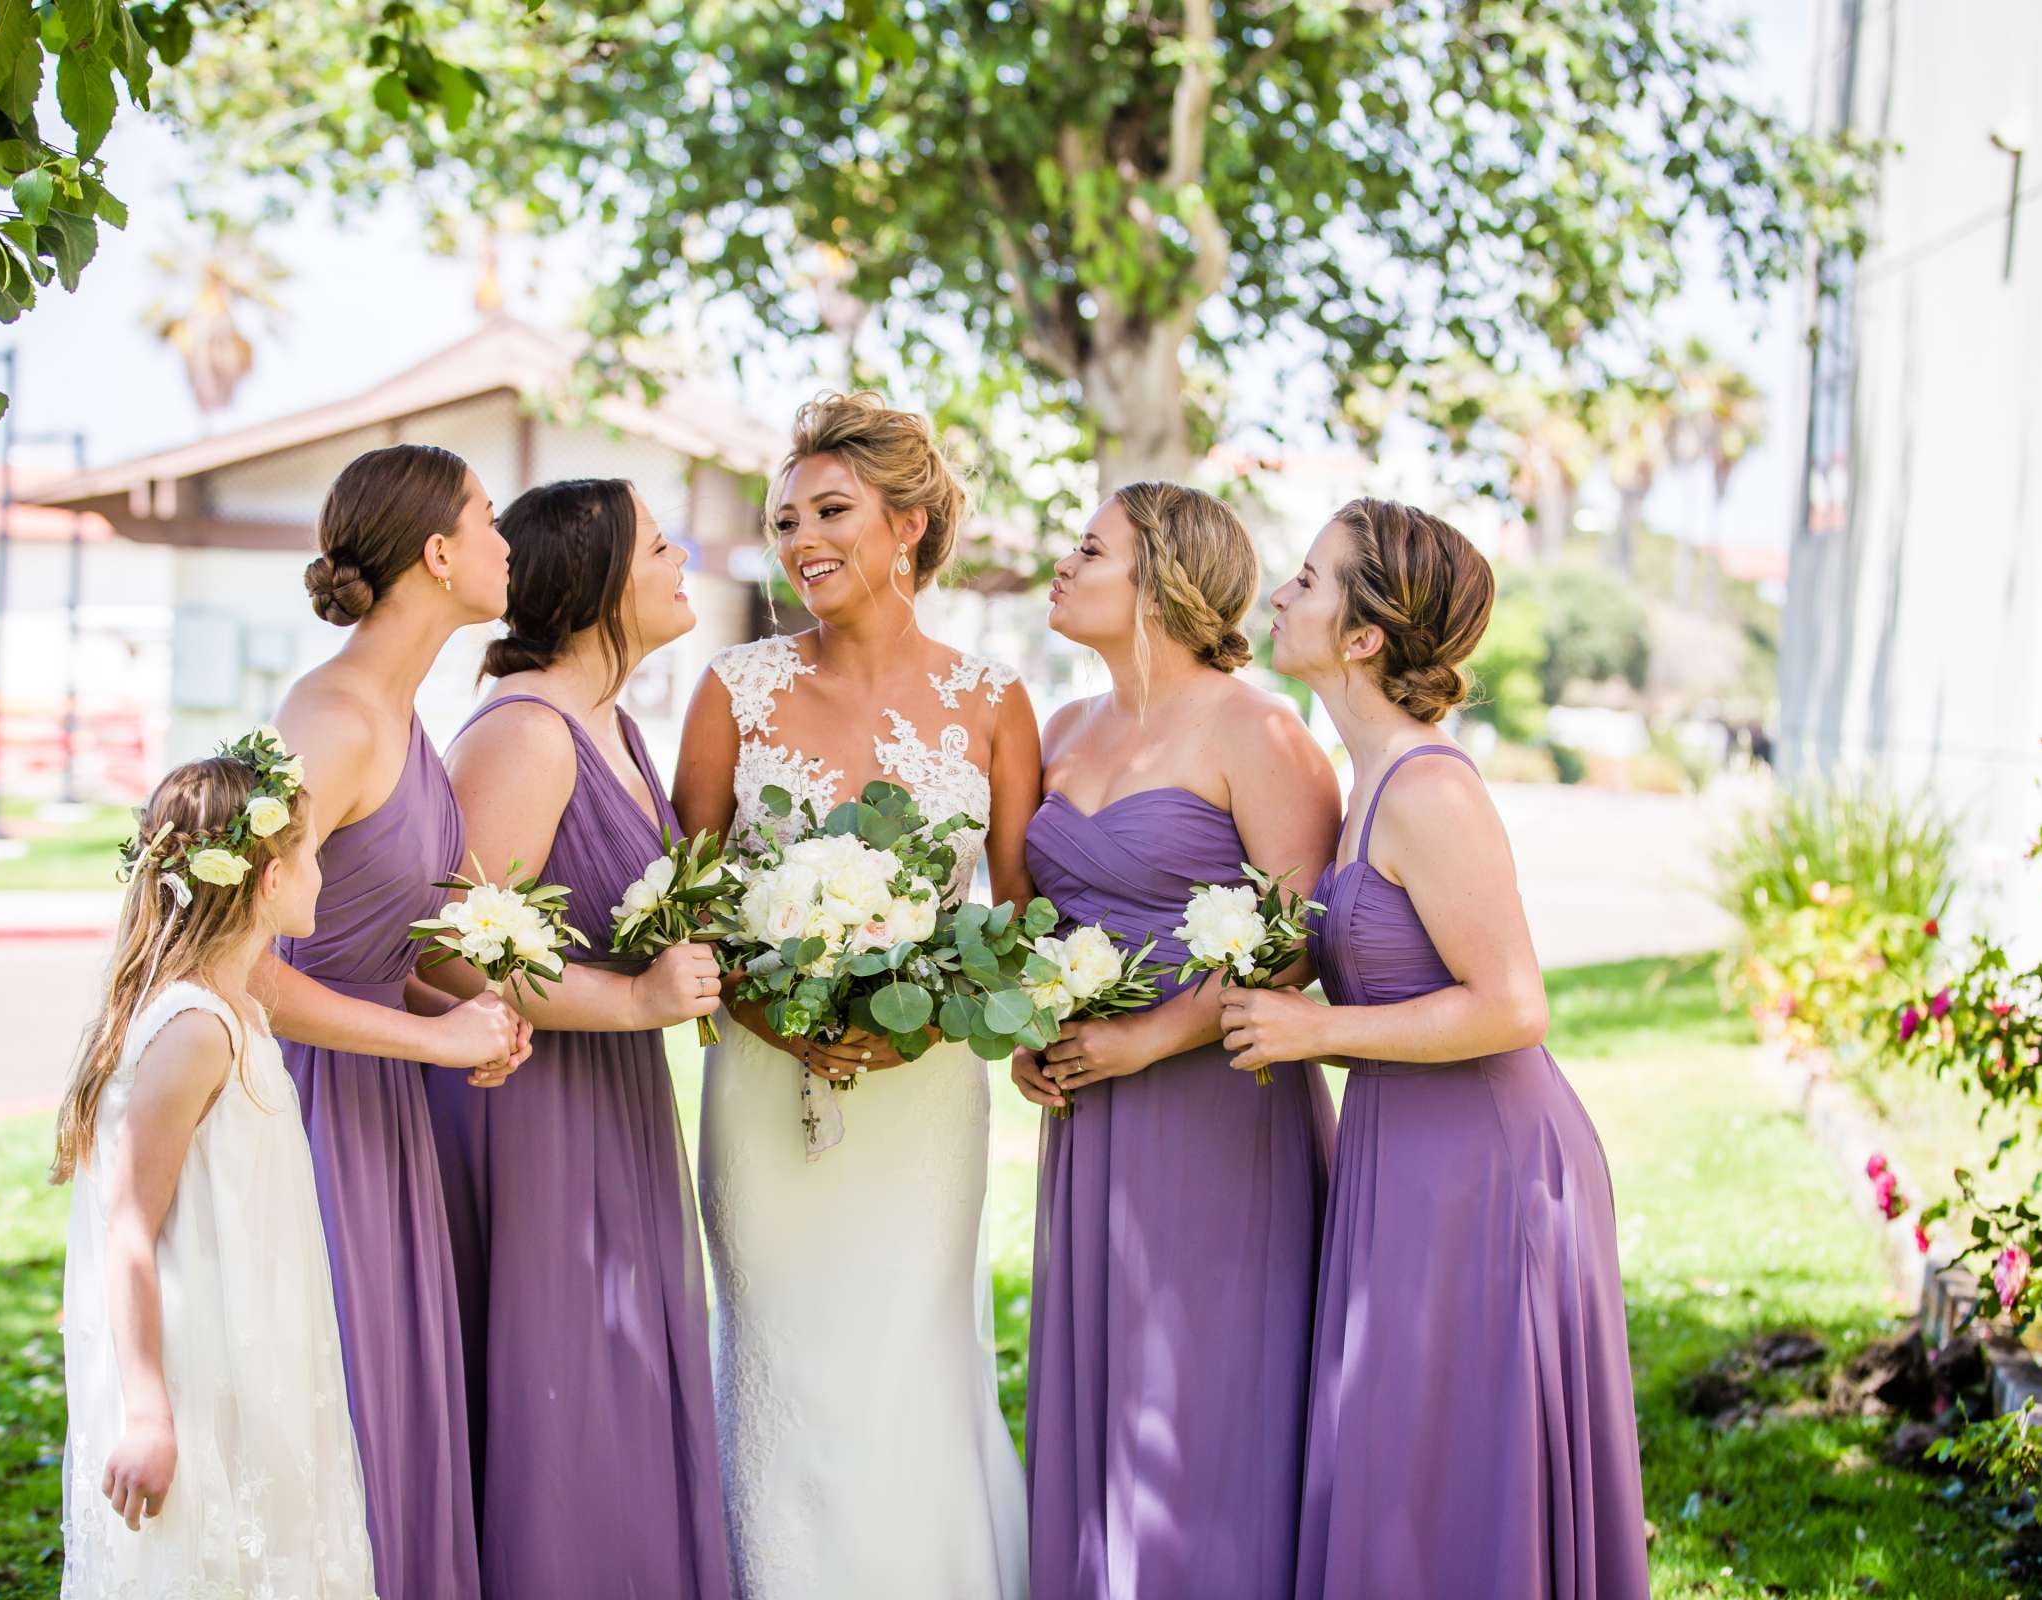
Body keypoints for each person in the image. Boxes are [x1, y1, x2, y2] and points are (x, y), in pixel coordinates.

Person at [1221, 497, 1651, 1599]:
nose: (1279, 593)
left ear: (1364, 635)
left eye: (1308, 580)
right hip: (1404, 1152)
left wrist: (1317, 1031)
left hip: (1488, 1168)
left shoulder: (1431, 789)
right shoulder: (1365, 780)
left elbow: (1513, 1003)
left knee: (1457, 1459)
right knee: (1401, 1452)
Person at [672, 392, 1037, 1599]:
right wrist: (791, 1022)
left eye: (830, 511)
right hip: (764, 1084)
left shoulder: (993, 702)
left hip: (927, 1092)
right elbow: (696, 905)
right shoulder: (734, 691)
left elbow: (1016, 922)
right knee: (778, 1353)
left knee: (906, 1358)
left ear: (909, 523)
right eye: (784, 521)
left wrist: (910, 1026)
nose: (801, 541)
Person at [1015, 482, 1339, 1599]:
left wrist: (1149, 1041)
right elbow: (1039, 919)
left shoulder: (1263, 732)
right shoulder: (1062, 728)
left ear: (1159, 579)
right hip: (1089, 1111)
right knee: (1108, 1398)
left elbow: (1294, 946)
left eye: (1088, 549)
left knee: (1206, 1398)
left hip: (1220, 1109)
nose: (1062, 565)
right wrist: (1033, 1029)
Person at [417, 478, 731, 1597]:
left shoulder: (615, 723)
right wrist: (637, 1003)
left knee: (627, 1375)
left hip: (613, 1095)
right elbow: (446, 958)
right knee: (573, 1387)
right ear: (600, 582)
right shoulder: (528, 732)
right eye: (659, 544)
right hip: (532, 1110)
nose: (682, 554)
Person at [265, 443, 528, 1598]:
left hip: (380, 1109)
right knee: (342, 1405)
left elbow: (354, 950)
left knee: (396, 1407)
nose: (505, 542)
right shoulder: (332, 718)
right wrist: (431, 1039)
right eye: (487, 518)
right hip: (310, 1115)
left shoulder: (405, 718)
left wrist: (453, 1007)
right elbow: (236, 965)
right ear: (437, 551)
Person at [56, 732, 376, 1599]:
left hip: (254, 1328)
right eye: (310, 854)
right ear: (269, 881)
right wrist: (151, 1413)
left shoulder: (236, 1004)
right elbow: (130, 1231)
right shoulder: (196, 1028)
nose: (320, 873)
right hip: (197, 1351)